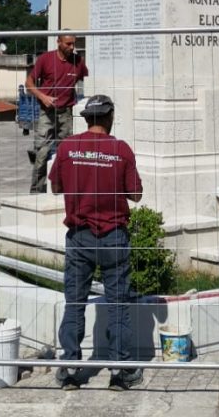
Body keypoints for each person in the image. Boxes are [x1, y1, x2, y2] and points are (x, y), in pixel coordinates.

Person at [49, 93, 144, 391]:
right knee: (117, 304)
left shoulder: (67, 148)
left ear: (86, 118)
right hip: (113, 235)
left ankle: (70, 368)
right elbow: (136, 194)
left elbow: (55, 186)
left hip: (80, 237)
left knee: (75, 302)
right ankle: (121, 370)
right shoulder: (121, 149)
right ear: (110, 117)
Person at [24, 34, 88, 193]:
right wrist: (42, 97)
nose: (72, 47)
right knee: (42, 153)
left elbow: (88, 78)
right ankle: (36, 191)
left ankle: (62, 189)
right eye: (68, 44)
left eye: (74, 44)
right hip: (47, 113)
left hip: (66, 113)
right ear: (58, 42)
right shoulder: (45, 59)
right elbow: (29, 83)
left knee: (66, 153)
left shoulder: (78, 62)